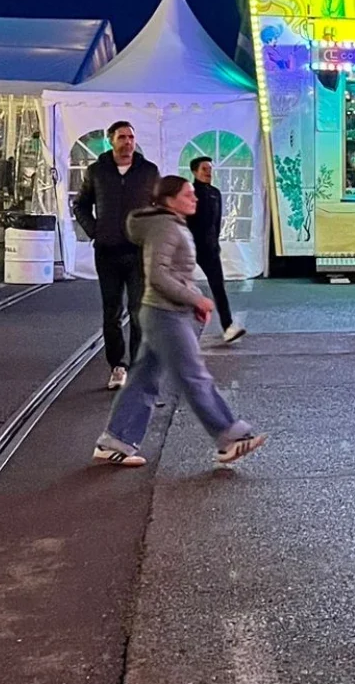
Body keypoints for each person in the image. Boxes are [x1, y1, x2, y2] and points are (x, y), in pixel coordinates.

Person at [92, 175, 265, 468]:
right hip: (165, 315)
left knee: (144, 380)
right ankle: (231, 438)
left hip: (162, 311)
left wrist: (192, 298)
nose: (194, 198)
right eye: (187, 194)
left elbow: (173, 273)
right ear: (170, 200)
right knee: (194, 376)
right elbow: (158, 275)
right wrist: (195, 298)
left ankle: (114, 442)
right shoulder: (166, 227)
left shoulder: (169, 224)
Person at [73, 121, 161, 390]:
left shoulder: (148, 171)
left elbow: (158, 206)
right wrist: (95, 230)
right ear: (111, 140)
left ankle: (136, 367)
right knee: (111, 312)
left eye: (131, 137)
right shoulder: (98, 171)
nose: (127, 142)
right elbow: (81, 205)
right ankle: (117, 365)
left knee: (138, 311)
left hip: (137, 252)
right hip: (108, 251)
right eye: (122, 137)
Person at [188, 156, 245, 344]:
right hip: (188, 248)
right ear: (195, 172)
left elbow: (216, 222)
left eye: (210, 169)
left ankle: (228, 327)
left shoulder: (215, 193)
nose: (208, 172)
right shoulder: (189, 192)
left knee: (218, 287)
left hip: (209, 248)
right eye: (204, 169)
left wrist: (215, 243)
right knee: (179, 289)